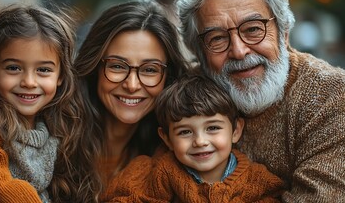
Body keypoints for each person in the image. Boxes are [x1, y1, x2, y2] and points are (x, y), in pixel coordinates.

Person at [175, 0, 345, 202]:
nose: (239, 51)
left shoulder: (336, 98)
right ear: (198, 53)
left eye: (253, 29)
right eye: (216, 38)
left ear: (284, 32)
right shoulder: (183, 96)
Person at [0, 4, 100, 202]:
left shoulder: (57, 121)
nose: (29, 82)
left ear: (61, 76)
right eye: (14, 68)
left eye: (43, 70)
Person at [105, 74, 284, 202]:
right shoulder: (159, 172)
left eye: (213, 128)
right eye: (185, 132)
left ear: (236, 130)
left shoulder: (256, 180)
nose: (200, 141)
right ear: (166, 138)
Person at [73, 0, 189, 197]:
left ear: (168, 78)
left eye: (150, 69)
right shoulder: (55, 138)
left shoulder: (174, 153)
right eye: (117, 66)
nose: (132, 85)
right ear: (95, 68)